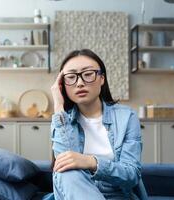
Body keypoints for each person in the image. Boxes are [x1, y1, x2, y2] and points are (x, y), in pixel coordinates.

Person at [50, 49, 143, 200]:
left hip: (118, 195)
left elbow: (131, 174)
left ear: (102, 79)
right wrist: (58, 108)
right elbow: (65, 164)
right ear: (62, 85)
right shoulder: (62, 120)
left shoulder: (126, 117)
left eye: (88, 74)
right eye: (71, 77)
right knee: (67, 170)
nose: (79, 83)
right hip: (73, 193)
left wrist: (91, 162)